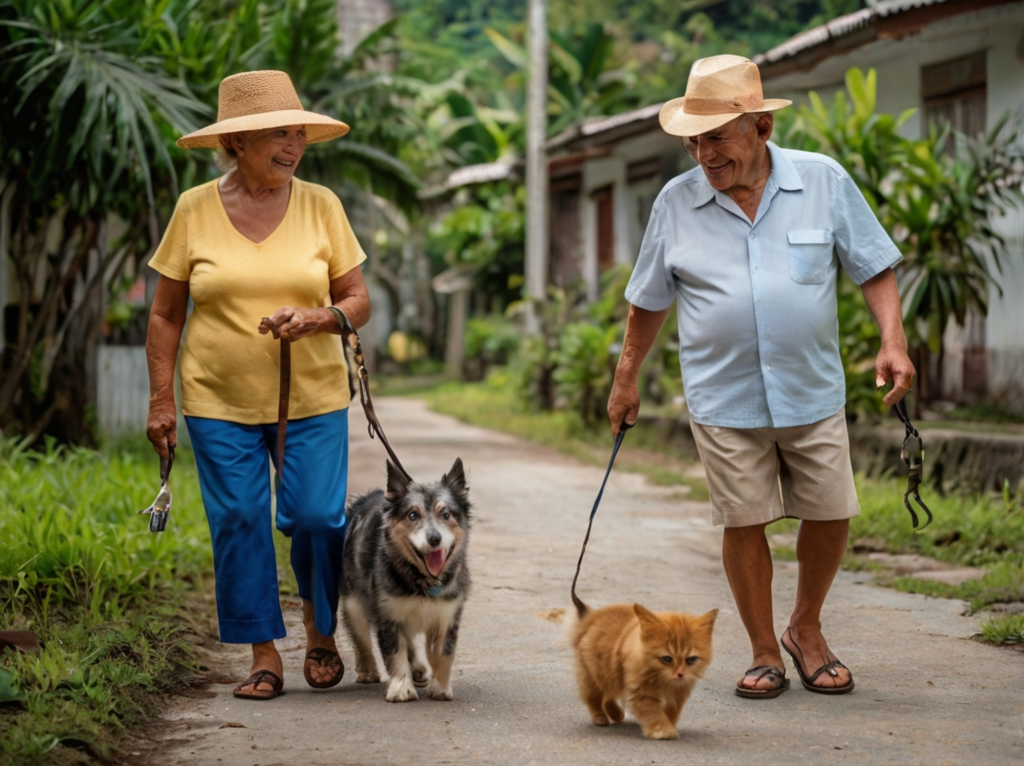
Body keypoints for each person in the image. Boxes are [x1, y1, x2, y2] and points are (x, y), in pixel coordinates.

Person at [607, 55, 915, 698]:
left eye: (716, 136)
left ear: (760, 130)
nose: (702, 153)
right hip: (723, 396)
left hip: (811, 388)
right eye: (694, 139)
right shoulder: (676, 203)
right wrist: (626, 378)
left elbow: (873, 267)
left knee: (830, 512)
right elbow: (648, 300)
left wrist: (893, 340)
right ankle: (762, 649)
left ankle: (806, 628)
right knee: (743, 519)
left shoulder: (823, 182)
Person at [145, 70, 370, 700]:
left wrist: (321, 317)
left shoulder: (322, 203)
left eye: (299, 132)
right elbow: (165, 313)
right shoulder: (194, 210)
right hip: (216, 400)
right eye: (279, 132)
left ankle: (319, 628)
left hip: (314, 396)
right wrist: (162, 400)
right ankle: (263, 653)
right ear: (237, 143)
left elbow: (358, 298)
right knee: (241, 518)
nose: (294, 143)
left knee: (317, 519)